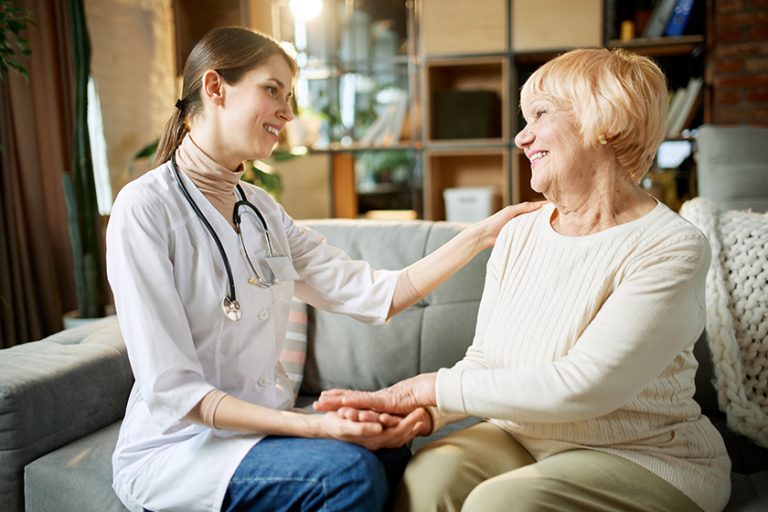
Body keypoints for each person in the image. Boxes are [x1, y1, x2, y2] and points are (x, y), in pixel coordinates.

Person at [106, 26, 540, 512]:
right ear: (214, 88)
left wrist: (481, 234)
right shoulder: (144, 209)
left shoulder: (262, 211)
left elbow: (378, 293)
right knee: (347, 475)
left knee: (391, 447)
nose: (288, 113)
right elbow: (174, 393)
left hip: (258, 435)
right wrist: (315, 424)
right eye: (272, 90)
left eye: (289, 96)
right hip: (180, 451)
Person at [315, 48, 732, 512]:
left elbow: (585, 386)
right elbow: (485, 360)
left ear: (607, 120)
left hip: (644, 455)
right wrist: (422, 415)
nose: (520, 137)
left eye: (539, 114)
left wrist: (431, 388)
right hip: (522, 436)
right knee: (430, 475)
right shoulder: (519, 233)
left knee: (503, 503)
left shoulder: (670, 246)